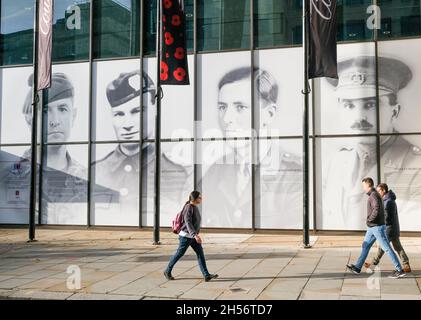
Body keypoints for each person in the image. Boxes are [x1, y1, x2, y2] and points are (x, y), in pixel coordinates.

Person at [322, 56, 421, 230]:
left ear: (395, 112)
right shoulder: (335, 163)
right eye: (349, 106)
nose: (359, 117)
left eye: (371, 104)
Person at [200, 67, 303, 228]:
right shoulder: (214, 174)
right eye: (222, 107)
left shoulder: (295, 174)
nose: (227, 119)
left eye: (240, 107)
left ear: (269, 114)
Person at [93, 70, 192, 220]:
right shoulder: (95, 172)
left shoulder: (181, 173)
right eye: (119, 114)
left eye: (137, 111)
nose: (127, 125)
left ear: (155, 110)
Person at [21, 73, 87, 224]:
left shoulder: (86, 177)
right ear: (29, 120)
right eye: (45, 111)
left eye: (62, 109)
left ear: (74, 116)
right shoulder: (10, 177)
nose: (55, 121)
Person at [346, 177, 406, 279]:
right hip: (372, 228)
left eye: (363, 185)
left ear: (368, 185)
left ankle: (399, 270)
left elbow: (377, 209)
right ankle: (357, 267)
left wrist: (370, 219)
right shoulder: (374, 194)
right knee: (365, 246)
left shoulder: (373, 195)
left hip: (377, 227)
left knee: (386, 248)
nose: (363, 188)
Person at [164, 191, 219, 282]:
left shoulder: (194, 207)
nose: (201, 199)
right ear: (195, 198)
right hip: (186, 236)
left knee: (200, 254)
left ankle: (206, 275)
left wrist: (194, 235)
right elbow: (188, 222)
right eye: (199, 197)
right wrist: (195, 235)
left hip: (192, 236)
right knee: (179, 254)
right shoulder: (189, 207)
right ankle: (167, 271)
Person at [364, 183, 411, 272]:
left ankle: (373, 264)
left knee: (385, 247)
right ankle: (406, 264)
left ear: (384, 190)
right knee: (396, 247)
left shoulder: (388, 201)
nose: (377, 193)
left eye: (379, 191)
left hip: (390, 229)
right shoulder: (386, 200)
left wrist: (379, 222)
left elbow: (388, 218)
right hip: (391, 228)